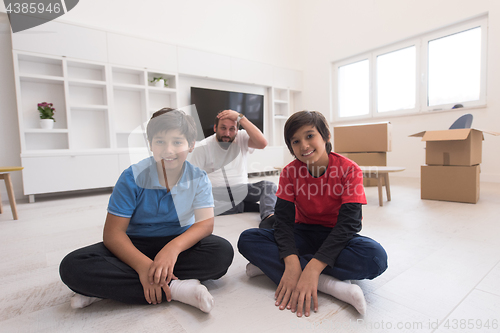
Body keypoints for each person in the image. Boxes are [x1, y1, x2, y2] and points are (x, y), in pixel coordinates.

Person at [59, 108, 234, 313]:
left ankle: (106, 290)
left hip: (178, 242)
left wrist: (172, 249)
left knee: (222, 253)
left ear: (191, 145)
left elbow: (205, 224)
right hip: (134, 245)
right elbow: (113, 234)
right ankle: (177, 288)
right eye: (160, 142)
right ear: (150, 144)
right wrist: (143, 266)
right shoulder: (132, 176)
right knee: (72, 267)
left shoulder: (199, 177)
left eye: (177, 142)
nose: (169, 150)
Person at [238, 110, 388, 317]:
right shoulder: (289, 172)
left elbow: (349, 225)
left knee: (375, 259)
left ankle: (276, 268)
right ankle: (330, 285)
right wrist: (291, 261)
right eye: (296, 141)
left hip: (337, 237)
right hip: (303, 232)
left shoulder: (349, 170)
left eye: (310, 136)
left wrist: (313, 268)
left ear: (326, 136)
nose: (304, 146)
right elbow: (283, 222)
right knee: (248, 239)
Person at [189, 109, 277, 229]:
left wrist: (240, 117)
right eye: (223, 128)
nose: (227, 133)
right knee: (200, 208)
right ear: (215, 128)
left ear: (236, 130)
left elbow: (262, 143)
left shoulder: (241, 137)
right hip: (216, 193)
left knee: (269, 185)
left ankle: (268, 217)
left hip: (242, 190)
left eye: (232, 129)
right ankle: (244, 207)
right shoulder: (203, 147)